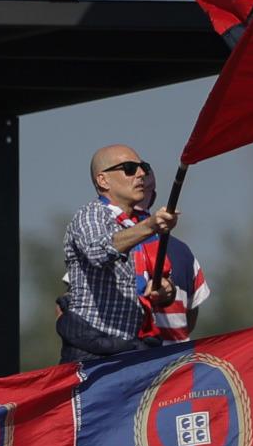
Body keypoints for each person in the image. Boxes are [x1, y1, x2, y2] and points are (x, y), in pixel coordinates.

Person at [56, 145, 202, 364]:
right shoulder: (90, 215)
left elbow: (158, 288)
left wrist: (165, 291)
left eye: (142, 167)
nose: (141, 173)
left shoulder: (138, 225)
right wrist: (151, 226)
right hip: (93, 350)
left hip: (132, 348)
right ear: (103, 180)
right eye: (129, 168)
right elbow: (98, 251)